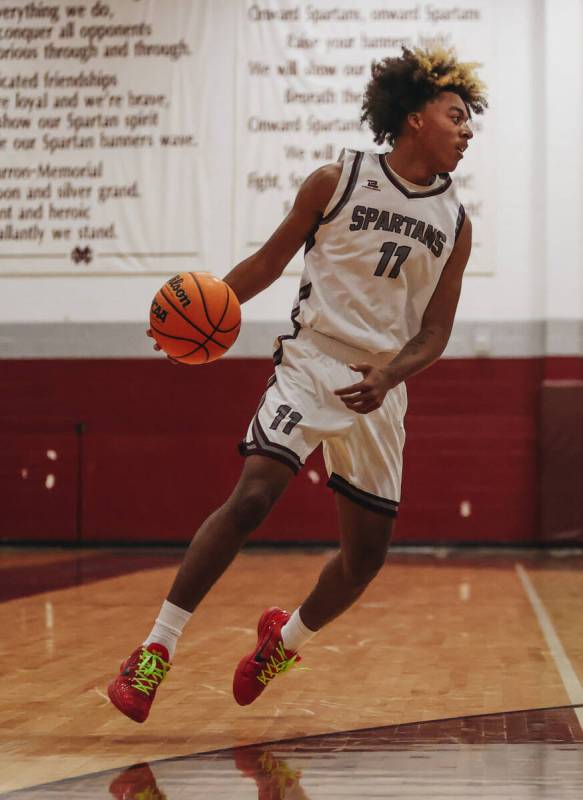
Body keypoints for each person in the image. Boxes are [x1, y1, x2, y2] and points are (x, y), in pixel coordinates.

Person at [108, 46, 487, 723]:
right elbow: (266, 262)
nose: (466, 130)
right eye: (455, 115)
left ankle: (279, 644)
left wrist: (389, 375)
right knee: (252, 497)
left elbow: (433, 334)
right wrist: (191, 316)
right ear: (410, 116)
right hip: (311, 362)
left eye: (469, 122)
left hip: (380, 383)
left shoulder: (455, 224)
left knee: (363, 559)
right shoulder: (335, 179)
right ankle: (153, 652)